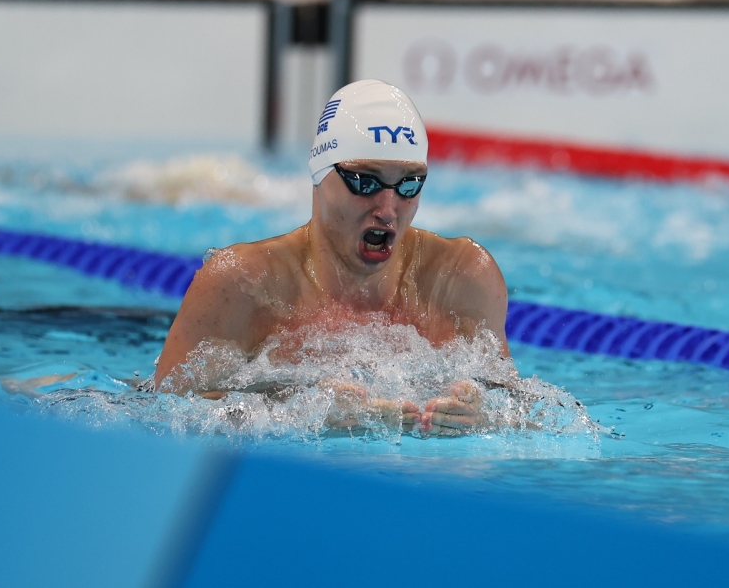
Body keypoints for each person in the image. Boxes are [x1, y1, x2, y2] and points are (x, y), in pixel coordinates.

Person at [151, 79, 511, 437]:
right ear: (321, 173)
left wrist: (486, 415)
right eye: (365, 182)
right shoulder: (243, 285)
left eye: (409, 184)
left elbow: (524, 410)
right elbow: (164, 414)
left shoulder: (460, 279)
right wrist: (301, 410)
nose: (388, 210)